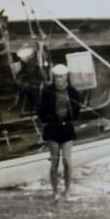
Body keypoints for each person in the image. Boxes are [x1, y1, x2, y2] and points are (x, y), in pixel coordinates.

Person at [36, 63, 82, 201]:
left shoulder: (72, 92)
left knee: (67, 161)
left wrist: (71, 117)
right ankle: (55, 191)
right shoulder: (47, 91)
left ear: (66, 77)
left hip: (66, 127)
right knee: (54, 162)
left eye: (61, 77)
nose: (58, 79)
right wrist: (46, 118)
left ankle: (67, 190)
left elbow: (76, 109)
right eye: (56, 77)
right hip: (52, 127)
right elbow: (40, 109)